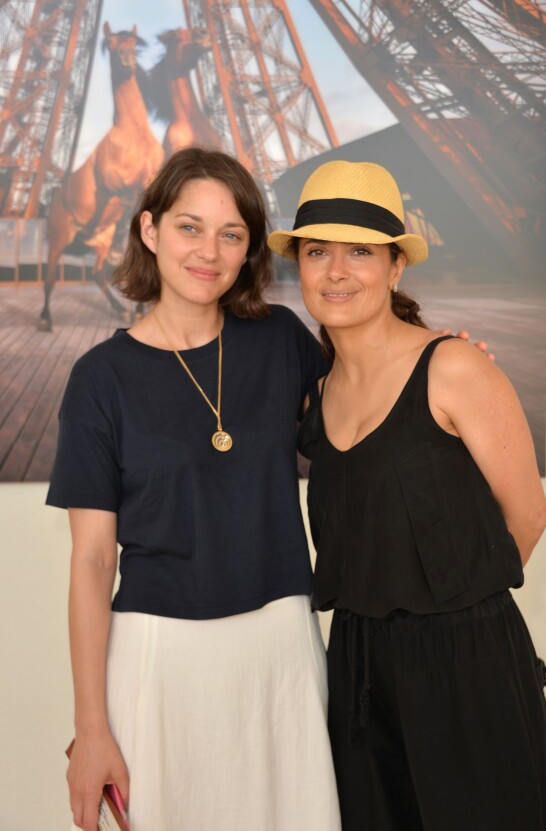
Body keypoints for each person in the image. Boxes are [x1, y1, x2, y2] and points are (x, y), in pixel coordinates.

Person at [46, 148, 341, 831]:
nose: (209, 250)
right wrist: (91, 729)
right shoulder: (101, 378)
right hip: (160, 658)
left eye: (231, 233)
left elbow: (371, 411)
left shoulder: (282, 342)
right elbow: (92, 561)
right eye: (189, 227)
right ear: (149, 231)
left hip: (282, 653)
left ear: (248, 250)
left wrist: (445, 366)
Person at [268, 159, 546, 831]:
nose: (337, 270)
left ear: (396, 267)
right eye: (318, 251)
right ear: (300, 266)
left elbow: (529, 512)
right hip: (359, 669)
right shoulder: (313, 395)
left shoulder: (453, 366)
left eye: (361, 252)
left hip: (467, 661)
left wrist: (451, 605)